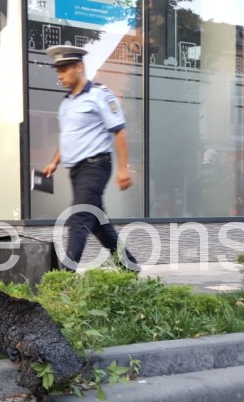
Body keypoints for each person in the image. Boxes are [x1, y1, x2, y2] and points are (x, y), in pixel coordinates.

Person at [42, 45, 138, 271]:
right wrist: (54, 162)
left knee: (78, 218)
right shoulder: (66, 103)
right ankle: (129, 266)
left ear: (79, 66)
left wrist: (123, 169)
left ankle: (64, 278)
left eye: (64, 69)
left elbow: (119, 130)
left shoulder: (100, 95)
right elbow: (68, 138)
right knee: (98, 224)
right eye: (58, 70)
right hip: (76, 172)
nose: (60, 75)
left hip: (95, 167)